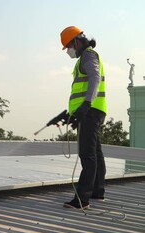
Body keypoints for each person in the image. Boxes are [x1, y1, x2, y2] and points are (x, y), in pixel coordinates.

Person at [60, 26, 107, 209]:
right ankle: (97, 191)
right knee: (95, 152)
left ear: (77, 41)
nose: (68, 51)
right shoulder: (87, 56)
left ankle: (82, 199)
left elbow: (95, 78)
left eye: (68, 46)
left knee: (87, 154)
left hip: (90, 111)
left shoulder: (88, 55)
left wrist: (86, 104)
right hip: (94, 111)